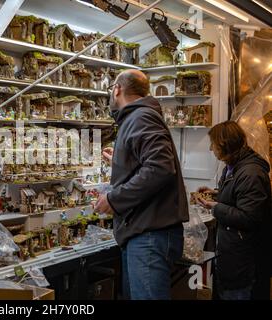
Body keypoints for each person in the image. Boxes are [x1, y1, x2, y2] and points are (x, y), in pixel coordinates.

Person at [95, 69, 189, 300]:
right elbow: (149, 162)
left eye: (111, 89)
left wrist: (114, 200)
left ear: (117, 89)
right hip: (145, 231)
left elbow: (160, 167)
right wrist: (119, 159)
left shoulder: (140, 117)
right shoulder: (138, 117)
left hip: (149, 235)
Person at [196, 121, 272, 300]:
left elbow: (249, 217)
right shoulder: (233, 167)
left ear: (224, 145)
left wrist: (216, 208)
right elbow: (239, 197)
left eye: (213, 144)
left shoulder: (251, 173)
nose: (210, 149)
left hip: (245, 263)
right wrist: (215, 194)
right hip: (232, 257)